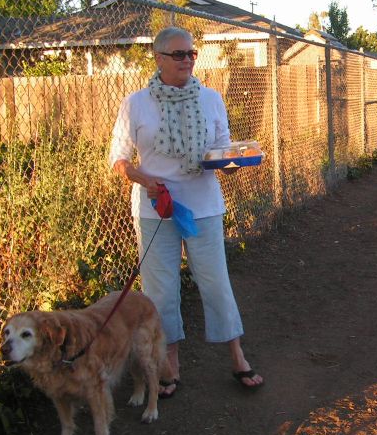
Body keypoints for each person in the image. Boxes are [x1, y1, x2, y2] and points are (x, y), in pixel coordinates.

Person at [109, 26, 264, 393]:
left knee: (214, 280)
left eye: (191, 53)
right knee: (160, 290)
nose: (187, 60)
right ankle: (169, 362)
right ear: (159, 58)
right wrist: (141, 178)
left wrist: (231, 163)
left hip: (204, 205)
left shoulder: (210, 99)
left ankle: (237, 355)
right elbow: (118, 158)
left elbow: (222, 149)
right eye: (179, 54)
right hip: (155, 208)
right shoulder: (136, 103)